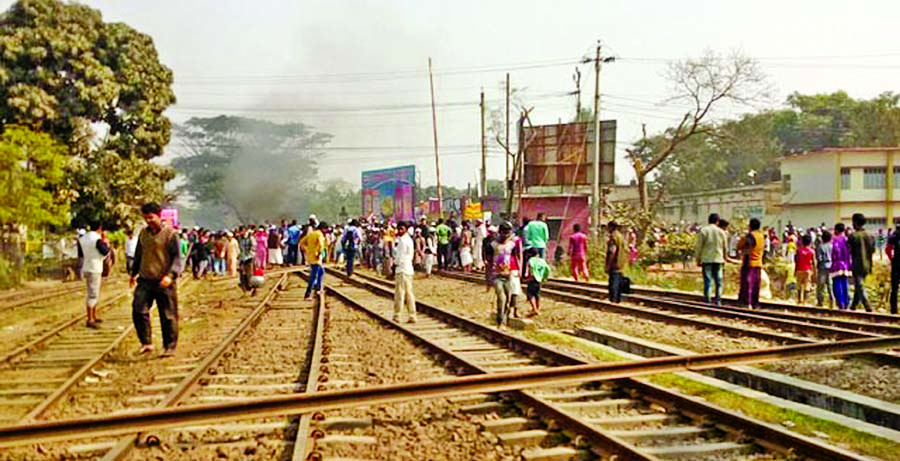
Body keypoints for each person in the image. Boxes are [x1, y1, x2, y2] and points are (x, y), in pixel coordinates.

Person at [129, 202, 182, 357]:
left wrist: (171, 276)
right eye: (146, 218)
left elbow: (177, 258)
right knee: (138, 310)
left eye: (151, 217)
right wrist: (133, 274)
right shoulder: (143, 234)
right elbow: (139, 254)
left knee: (168, 314)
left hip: (164, 280)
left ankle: (169, 346)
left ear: (159, 216)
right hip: (145, 279)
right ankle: (146, 343)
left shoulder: (171, 234)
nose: (149, 221)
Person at [78, 221, 111, 329]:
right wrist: (105, 241)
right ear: (99, 228)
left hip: (86, 266)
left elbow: (80, 254)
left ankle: (94, 315)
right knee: (93, 294)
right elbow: (106, 251)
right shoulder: (96, 239)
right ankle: (90, 319)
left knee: (92, 292)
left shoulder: (82, 239)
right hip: (95, 268)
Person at [492, 222, 522, 328]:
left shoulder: (512, 244)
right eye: (504, 232)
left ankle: (504, 318)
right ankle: (501, 322)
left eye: (507, 232)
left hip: (508, 275)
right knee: (501, 298)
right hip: (496, 275)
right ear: (500, 232)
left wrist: (520, 270)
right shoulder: (493, 245)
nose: (505, 234)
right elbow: (488, 262)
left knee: (509, 299)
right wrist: (487, 279)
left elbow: (518, 256)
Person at [694, 213, 728, 306]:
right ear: (717, 221)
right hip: (718, 259)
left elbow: (699, 246)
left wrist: (698, 259)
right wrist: (725, 258)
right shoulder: (722, 232)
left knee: (707, 280)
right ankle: (718, 299)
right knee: (719, 281)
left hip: (706, 259)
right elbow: (725, 247)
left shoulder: (703, 231)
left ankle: (707, 299)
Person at [848, 213, 875, 312]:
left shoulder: (852, 236)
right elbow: (873, 250)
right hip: (867, 264)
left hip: (857, 264)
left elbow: (850, 251)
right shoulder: (870, 236)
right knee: (858, 285)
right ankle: (853, 306)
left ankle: (867, 305)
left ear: (855, 223)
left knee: (860, 285)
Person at [392, 221, 417, 323]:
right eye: (398, 229)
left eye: (401, 229)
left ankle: (397, 314)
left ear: (406, 229)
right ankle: (412, 314)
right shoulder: (409, 240)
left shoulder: (402, 240)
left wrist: (394, 264)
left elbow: (400, 257)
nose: (399, 231)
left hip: (402, 269)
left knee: (400, 293)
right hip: (408, 268)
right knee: (409, 293)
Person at [737, 218, 764, 309]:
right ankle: (755, 303)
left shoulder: (750, 236)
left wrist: (742, 239)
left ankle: (746, 302)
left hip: (749, 262)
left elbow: (741, 246)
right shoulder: (761, 236)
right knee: (756, 285)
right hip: (758, 263)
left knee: (747, 284)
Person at [300, 221, 327, 300]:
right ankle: (307, 294)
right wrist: (319, 254)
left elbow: (302, 242)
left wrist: (307, 249)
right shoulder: (319, 234)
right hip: (316, 258)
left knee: (321, 271)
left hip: (310, 256)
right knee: (313, 276)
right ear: (323, 228)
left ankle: (318, 288)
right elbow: (321, 246)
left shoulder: (311, 234)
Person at [523, 247, 551, 317]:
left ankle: (534, 309)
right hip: (539, 280)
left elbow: (530, 268)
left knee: (530, 295)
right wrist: (544, 277)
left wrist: (527, 276)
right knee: (537, 294)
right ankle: (537, 308)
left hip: (532, 279)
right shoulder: (542, 261)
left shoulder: (531, 260)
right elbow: (548, 269)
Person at [830, 223, 852, 310]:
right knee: (845, 284)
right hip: (846, 264)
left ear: (837, 230)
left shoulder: (835, 240)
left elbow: (835, 253)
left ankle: (840, 303)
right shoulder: (847, 240)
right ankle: (846, 302)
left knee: (837, 285)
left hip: (837, 265)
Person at [605, 221, 628, 303]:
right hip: (621, 262)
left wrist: (608, 264)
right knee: (618, 281)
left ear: (611, 227)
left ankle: (613, 300)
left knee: (613, 282)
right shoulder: (620, 236)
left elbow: (612, 251)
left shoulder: (613, 237)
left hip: (614, 263)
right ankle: (618, 299)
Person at [795, 234, 815, 304]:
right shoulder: (812, 251)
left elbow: (796, 260)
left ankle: (799, 300)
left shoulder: (799, 250)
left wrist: (795, 270)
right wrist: (814, 272)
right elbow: (814, 262)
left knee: (799, 285)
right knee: (807, 285)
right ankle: (805, 301)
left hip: (799, 269)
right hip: (808, 270)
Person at [815, 231, 834, 308]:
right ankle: (832, 300)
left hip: (822, 267)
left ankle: (820, 301)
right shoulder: (832, 246)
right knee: (830, 284)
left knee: (820, 286)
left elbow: (819, 258)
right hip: (831, 266)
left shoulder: (820, 247)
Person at [237, 228, 257, 294]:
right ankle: (244, 287)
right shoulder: (240, 239)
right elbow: (239, 248)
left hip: (249, 257)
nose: (240, 233)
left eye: (241, 231)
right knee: (242, 273)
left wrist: (250, 254)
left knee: (250, 273)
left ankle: (251, 287)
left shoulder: (250, 238)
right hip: (242, 258)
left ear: (244, 231)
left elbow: (253, 247)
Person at [887, 225, 900, 314]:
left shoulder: (893, 236)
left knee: (894, 288)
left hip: (896, 263)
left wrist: (892, 259)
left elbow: (888, 249)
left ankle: (894, 309)